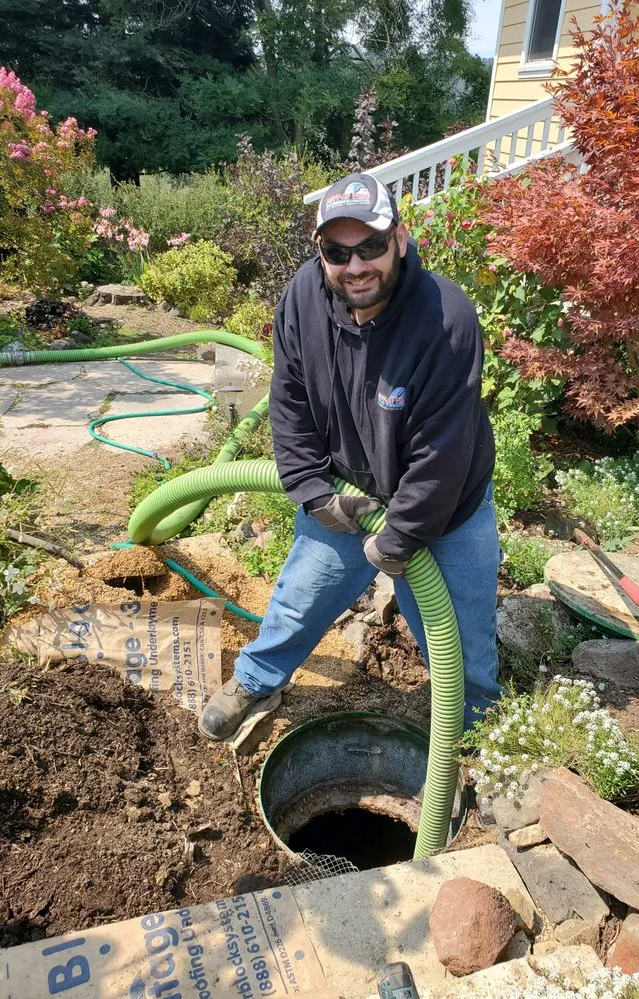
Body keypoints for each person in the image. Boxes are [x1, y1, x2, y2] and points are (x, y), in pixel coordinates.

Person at [198, 172, 500, 742]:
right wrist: (313, 493)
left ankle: (475, 732)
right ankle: (257, 679)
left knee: (461, 642)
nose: (356, 265)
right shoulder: (302, 298)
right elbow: (287, 401)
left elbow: (443, 451)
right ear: (321, 252)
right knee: (297, 601)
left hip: (447, 505)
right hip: (347, 495)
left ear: (401, 240)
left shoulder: (446, 318)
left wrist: (400, 538)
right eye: (339, 252)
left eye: (370, 247)